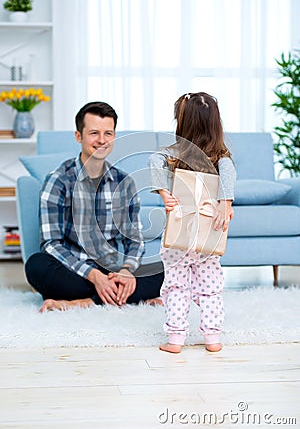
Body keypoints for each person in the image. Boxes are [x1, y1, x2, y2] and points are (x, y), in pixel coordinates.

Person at [25, 101, 164, 312]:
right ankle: (126, 297)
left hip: (113, 269)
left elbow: (134, 240)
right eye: (94, 133)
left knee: (168, 268)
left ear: (114, 136)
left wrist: (126, 271)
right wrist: (94, 276)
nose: (101, 140)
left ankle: (83, 303)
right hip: (75, 271)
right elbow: (51, 243)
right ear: (78, 136)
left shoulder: (125, 183)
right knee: (36, 265)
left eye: (108, 133)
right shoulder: (58, 181)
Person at [149, 92, 236, 353]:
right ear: (216, 124)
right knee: (211, 288)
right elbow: (229, 173)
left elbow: (153, 160)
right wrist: (225, 202)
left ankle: (175, 339)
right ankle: (212, 338)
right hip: (209, 236)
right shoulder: (222, 159)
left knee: (176, 286)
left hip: (179, 237)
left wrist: (164, 192)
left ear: (181, 124)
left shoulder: (172, 157)